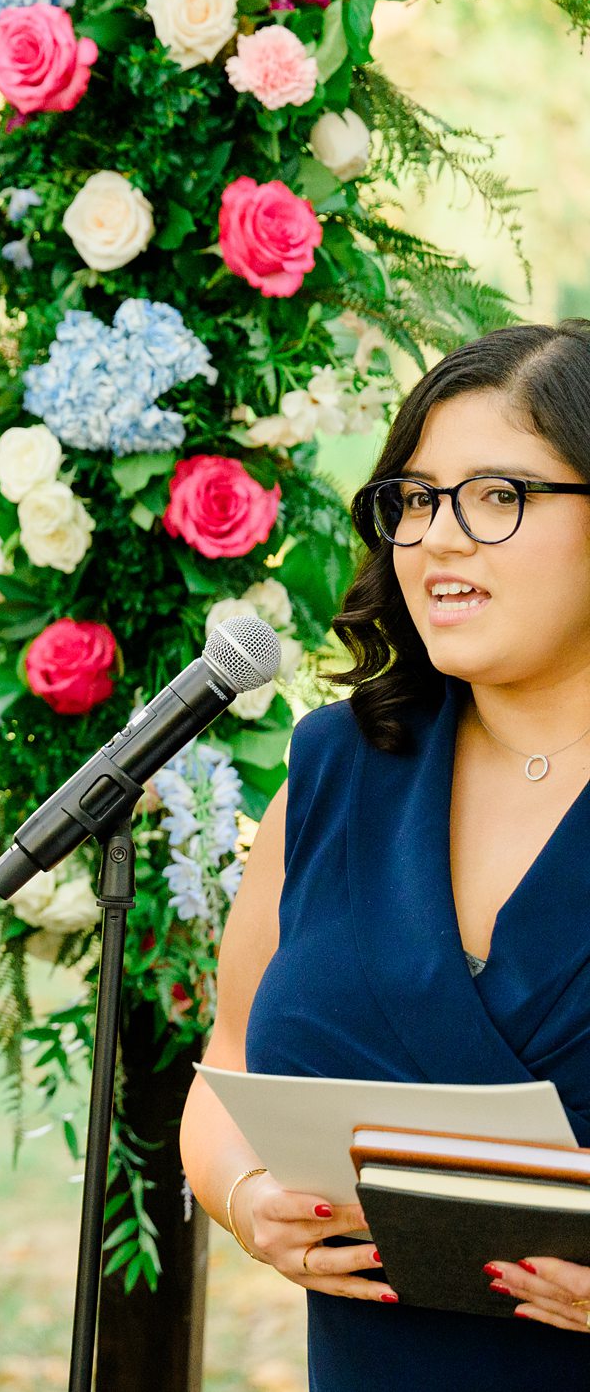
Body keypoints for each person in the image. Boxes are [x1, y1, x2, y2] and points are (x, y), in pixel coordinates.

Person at [182, 322, 590, 1387]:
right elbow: (225, 1068)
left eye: (497, 495)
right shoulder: (336, 764)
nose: (438, 539)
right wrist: (247, 1200)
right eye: (413, 500)